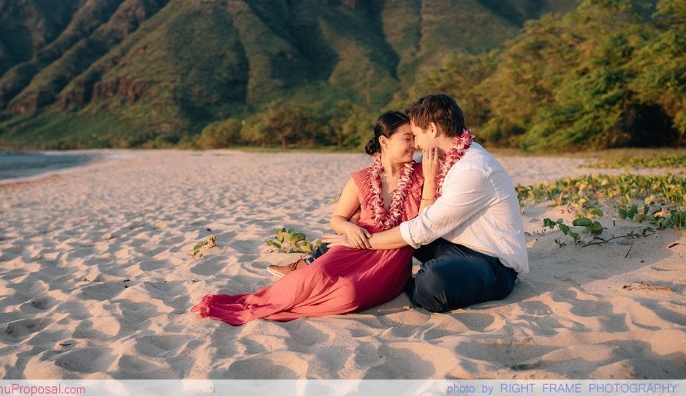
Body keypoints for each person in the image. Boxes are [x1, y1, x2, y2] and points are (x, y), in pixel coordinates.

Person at [191, 111, 437, 325]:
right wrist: (349, 229)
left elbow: (425, 221)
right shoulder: (361, 178)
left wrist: (430, 177)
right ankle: (257, 302)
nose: (414, 145)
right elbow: (338, 218)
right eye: (408, 138)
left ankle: (291, 298)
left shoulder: (422, 174)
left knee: (348, 294)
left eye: (415, 139)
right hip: (354, 246)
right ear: (385, 141)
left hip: (390, 258)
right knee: (312, 277)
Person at [324, 94, 529, 313]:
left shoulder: (473, 169)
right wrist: (355, 224)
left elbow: (423, 228)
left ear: (432, 129)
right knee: (382, 230)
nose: (415, 144)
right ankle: (327, 259)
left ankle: (396, 282)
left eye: (416, 134)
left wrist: (365, 242)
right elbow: (403, 194)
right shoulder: (440, 158)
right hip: (449, 244)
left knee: (431, 284)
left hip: (489, 260)